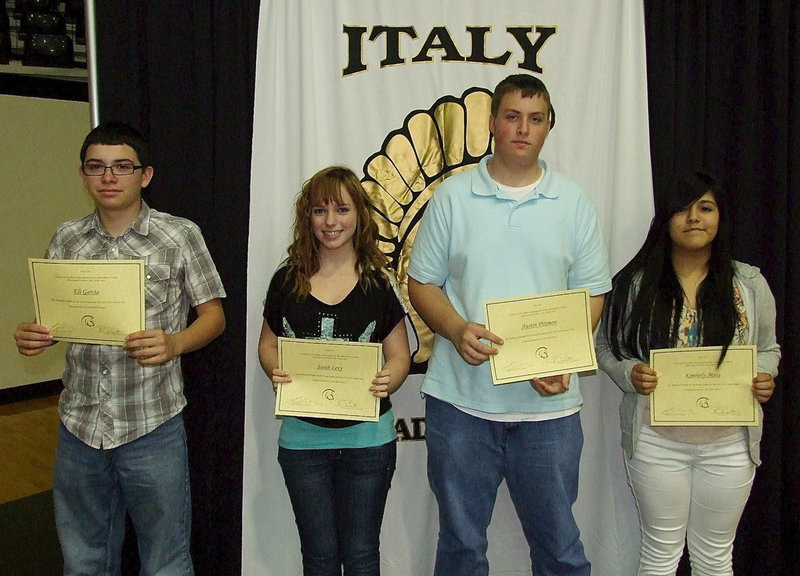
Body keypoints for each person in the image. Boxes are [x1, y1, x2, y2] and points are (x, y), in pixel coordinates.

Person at [407, 74, 610, 576]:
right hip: (461, 404)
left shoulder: (574, 202)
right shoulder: (453, 197)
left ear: (548, 128)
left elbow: (593, 293)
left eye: (535, 119)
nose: (523, 128)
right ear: (493, 123)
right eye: (513, 116)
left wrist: (561, 357)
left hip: (550, 411)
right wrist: (455, 330)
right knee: (461, 549)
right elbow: (421, 285)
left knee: (561, 550)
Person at [13, 122, 226, 576]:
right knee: (83, 559)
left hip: (152, 422)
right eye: (97, 167)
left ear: (144, 175)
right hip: (80, 424)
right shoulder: (67, 239)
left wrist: (174, 343)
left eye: (121, 167)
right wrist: (35, 334)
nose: (108, 177)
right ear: (83, 175)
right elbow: (53, 319)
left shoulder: (179, 235)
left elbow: (214, 317)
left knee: (165, 559)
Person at [596, 170, 780, 575]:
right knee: (660, 554)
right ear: (665, 220)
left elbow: (768, 348)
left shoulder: (748, 283)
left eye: (705, 208)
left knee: (715, 557)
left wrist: (764, 374)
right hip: (657, 442)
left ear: (720, 217)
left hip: (730, 443)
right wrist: (630, 374)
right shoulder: (635, 285)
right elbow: (605, 348)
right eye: (682, 209)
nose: (694, 218)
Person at [258, 165, 410, 575]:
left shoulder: (377, 284)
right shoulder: (286, 282)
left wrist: (389, 379)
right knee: (319, 558)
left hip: (368, 438)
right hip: (302, 440)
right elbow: (267, 345)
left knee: (361, 555)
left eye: (341, 210)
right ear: (307, 218)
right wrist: (276, 370)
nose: (330, 221)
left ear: (359, 216)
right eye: (319, 210)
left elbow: (400, 355)